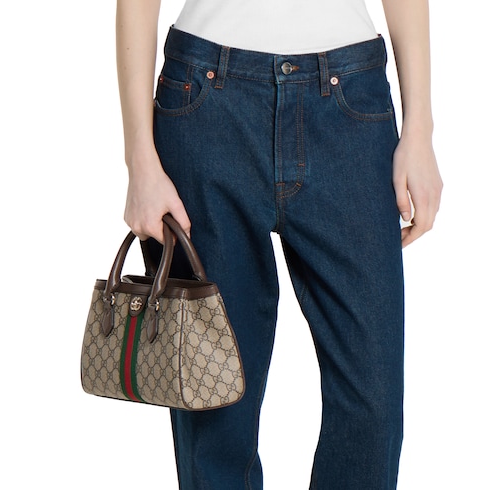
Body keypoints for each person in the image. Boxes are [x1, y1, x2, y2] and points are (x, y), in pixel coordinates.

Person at [116, 0, 442, 488]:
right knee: (214, 411)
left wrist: (420, 131)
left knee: (373, 404)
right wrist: (139, 160)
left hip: (351, 105)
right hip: (206, 103)